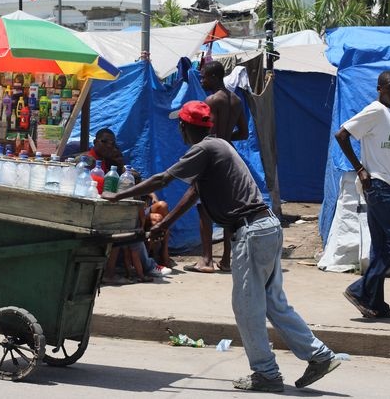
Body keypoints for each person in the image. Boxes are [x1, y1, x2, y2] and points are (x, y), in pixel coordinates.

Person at [102, 101, 340, 392]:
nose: (179, 129)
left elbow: (162, 178)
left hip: (251, 232)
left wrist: (118, 196)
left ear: (185, 127)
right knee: (273, 303)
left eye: (180, 125)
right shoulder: (217, 147)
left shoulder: (204, 149)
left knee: (246, 307)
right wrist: (164, 225)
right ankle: (320, 356)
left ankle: (266, 373)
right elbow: (193, 193)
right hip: (265, 228)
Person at [335, 70, 390, 319]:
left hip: (389, 187)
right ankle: (359, 290)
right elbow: (341, 135)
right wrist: (360, 169)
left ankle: (375, 303)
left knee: (381, 246)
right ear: (379, 88)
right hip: (377, 185)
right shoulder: (374, 110)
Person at [184, 60, 248, 274]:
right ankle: (227, 260)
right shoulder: (236, 101)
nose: (201, 81)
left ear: (213, 77)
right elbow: (244, 132)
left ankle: (207, 260)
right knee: (229, 210)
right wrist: (227, 139)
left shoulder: (212, 100)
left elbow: (206, 131)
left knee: (204, 209)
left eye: (203, 77)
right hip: (230, 158)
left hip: (211, 158)